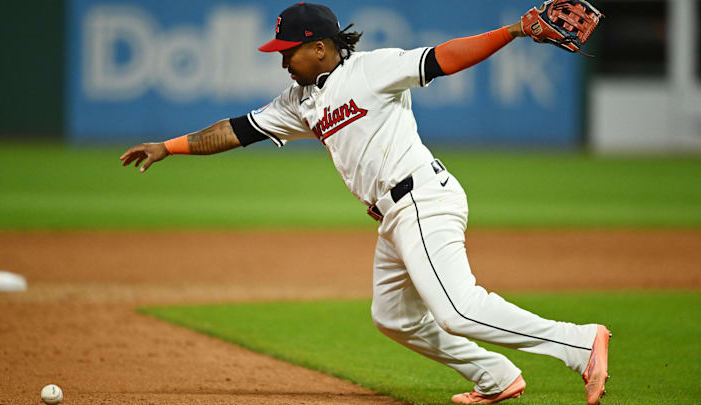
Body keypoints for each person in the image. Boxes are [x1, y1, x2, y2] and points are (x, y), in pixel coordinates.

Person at [120, 3, 611, 404]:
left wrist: (515, 30)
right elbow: (236, 129)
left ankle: (580, 342)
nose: (282, 61)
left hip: (421, 197)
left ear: (318, 47)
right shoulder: (299, 100)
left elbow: (445, 57)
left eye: (288, 51)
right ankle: (496, 377)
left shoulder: (372, 69)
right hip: (394, 215)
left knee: (459, 310)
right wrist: (169, 146)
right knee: (393, 317)